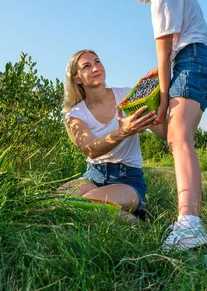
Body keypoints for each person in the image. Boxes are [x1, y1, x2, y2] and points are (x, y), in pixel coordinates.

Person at [110, 0, 207, 251]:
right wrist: (155, 78)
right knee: (171, 136)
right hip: (200, 62)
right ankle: (188, 221)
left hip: (192, 62)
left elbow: (164, 53)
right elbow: (175, 45)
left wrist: (160, 96)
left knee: (180, 138)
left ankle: (189, 223)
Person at [57, 49, 167, 223]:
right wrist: (123, 132)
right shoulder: (75, 113)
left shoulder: (126, 96)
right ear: (77, 78)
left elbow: (164, 133)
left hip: (127, 179)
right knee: (54, 202)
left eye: (97, 62)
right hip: (93, 176)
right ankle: (127, 215)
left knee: (88, 205)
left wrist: (158, 113)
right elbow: (90, 149)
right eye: (87, 66)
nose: (95, 68)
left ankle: (139, 224)